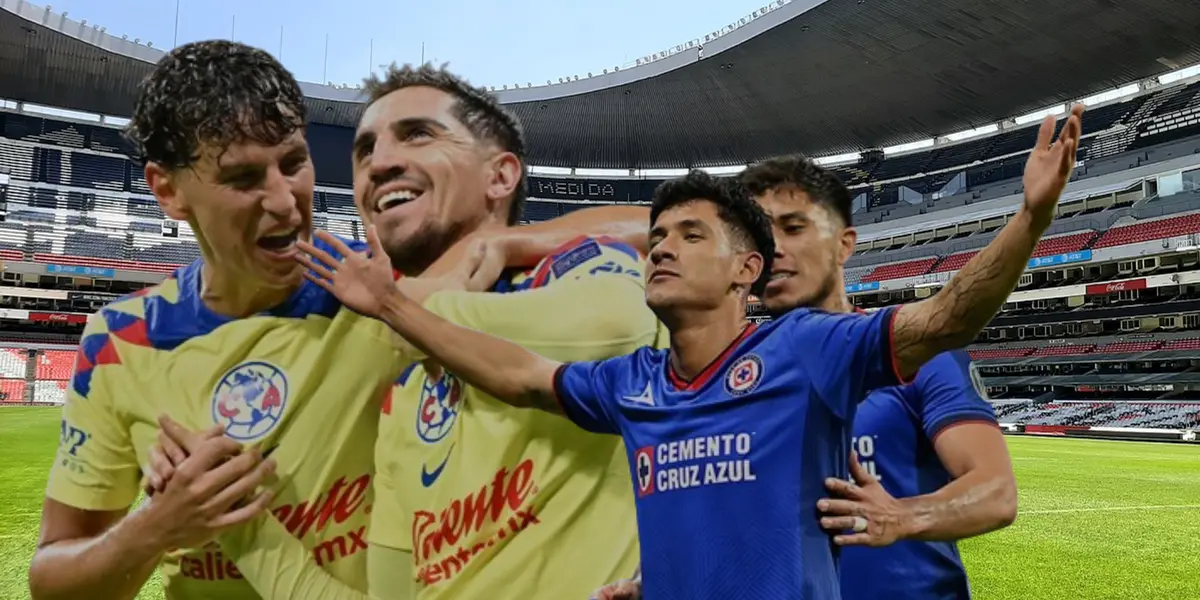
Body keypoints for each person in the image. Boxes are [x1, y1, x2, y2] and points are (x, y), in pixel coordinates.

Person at [293, 101, 1081, 599]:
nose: (662, 249)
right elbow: (521, 377)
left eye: (690, 236)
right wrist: (391, 301)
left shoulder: (807, 351)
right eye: (658, 237)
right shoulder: (635, 382)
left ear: (747, 269)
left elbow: (942, 320)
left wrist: (1030, 219)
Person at [146, 63, 658, 600]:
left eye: (418, 134)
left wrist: (410, 301)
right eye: (364, 150)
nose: (380, 162)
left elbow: (612, 327)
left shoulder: (584, 268)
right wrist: (234, 512)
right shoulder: (407, 393)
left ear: (500, 176)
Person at [27, 41, 498, 600]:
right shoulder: (120, 341)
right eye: (244, 177)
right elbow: (53, 582)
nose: (285, 201)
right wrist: (158, 526)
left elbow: (593, 251)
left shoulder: (381, 285)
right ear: (168, 190)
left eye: (294, 162)